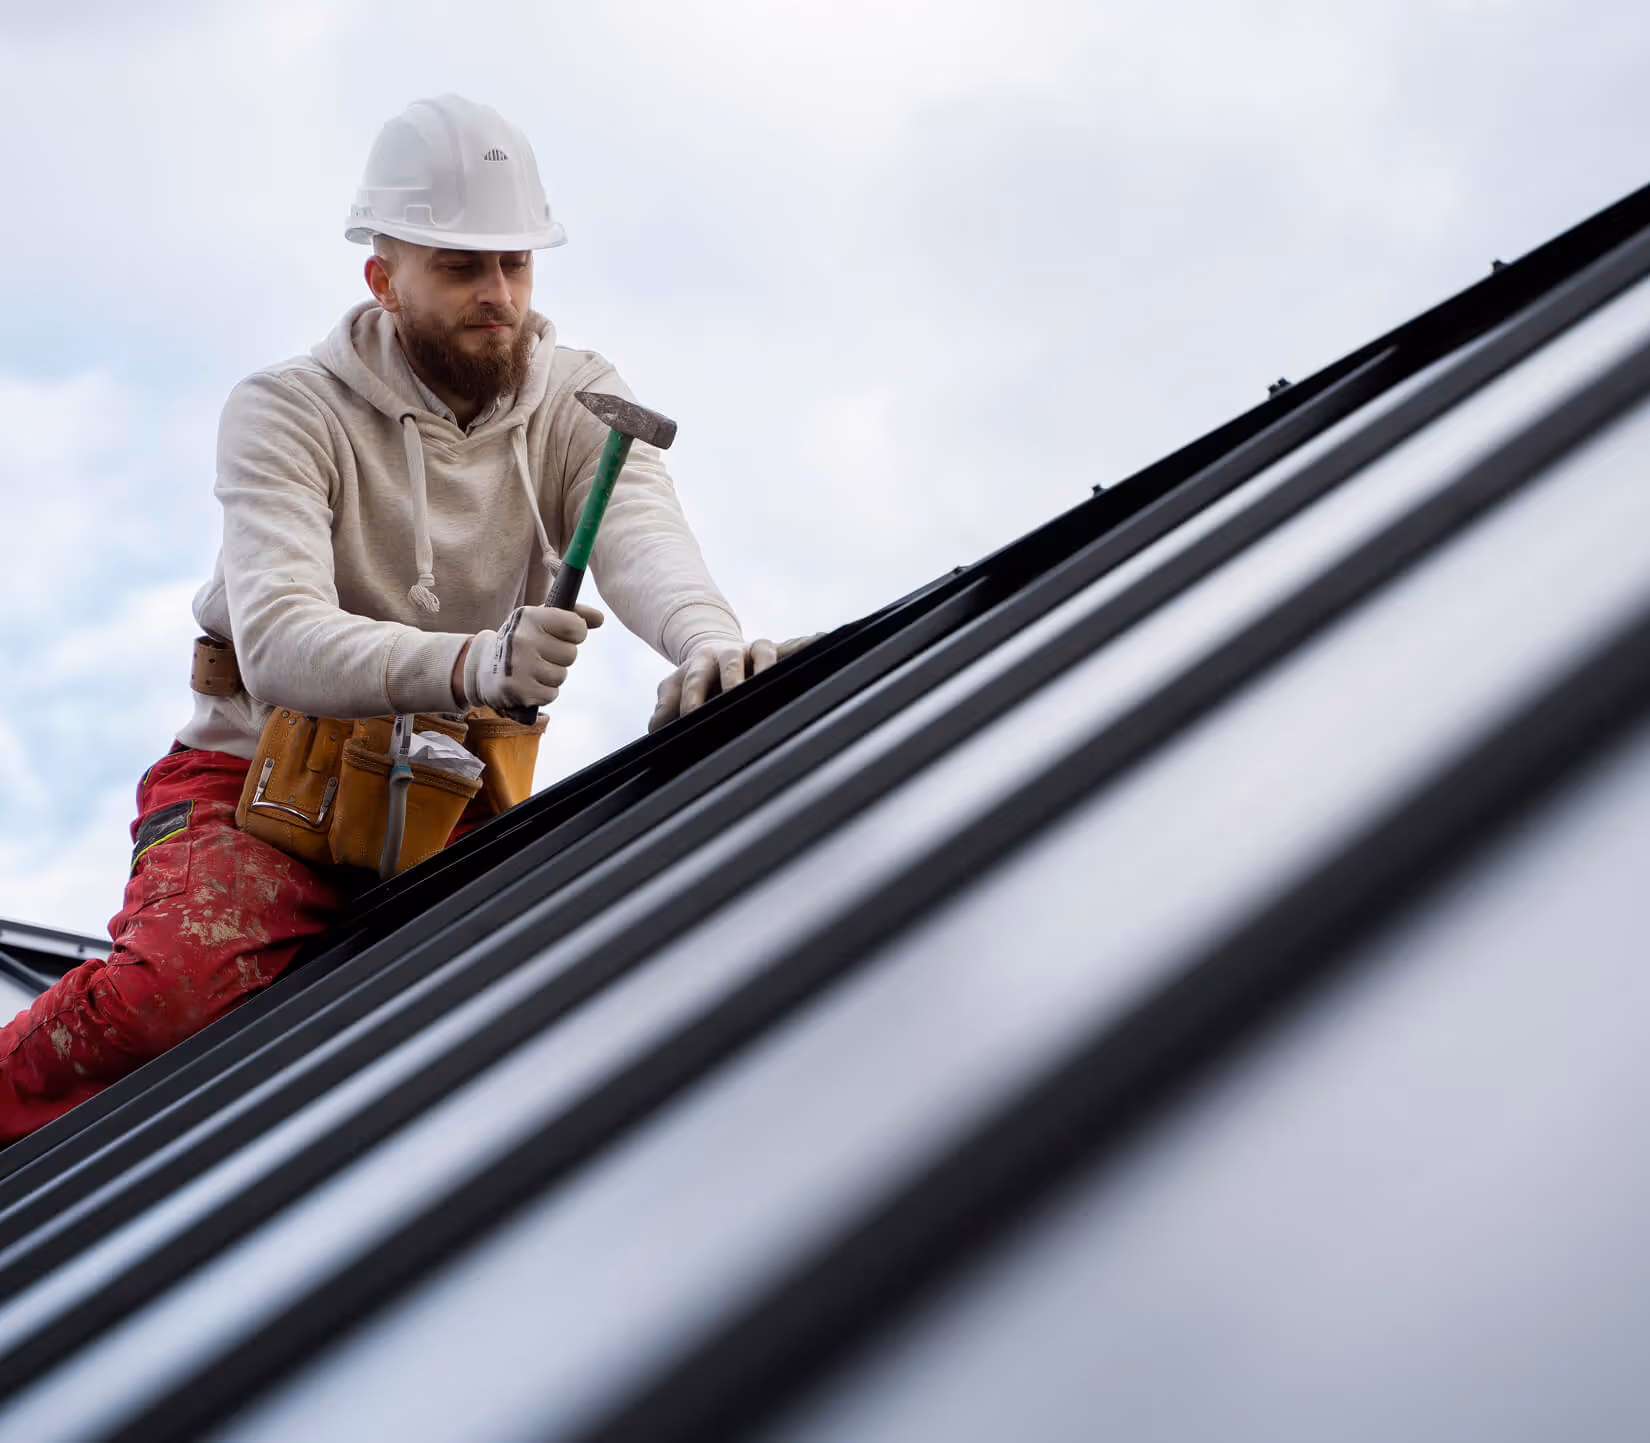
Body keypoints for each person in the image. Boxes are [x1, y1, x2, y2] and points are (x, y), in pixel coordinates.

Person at [0, 94, 813, 1144]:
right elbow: (281, 639)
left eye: (515, 265)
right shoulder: (287, 412)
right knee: (175, 992)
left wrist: (708, 641)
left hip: (443, 802)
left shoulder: (578, 402)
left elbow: (644, 539)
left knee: (540, 1014)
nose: (499, 297)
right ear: (384, 280)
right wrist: (477, 663)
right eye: (463, 267)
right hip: (254, 788)